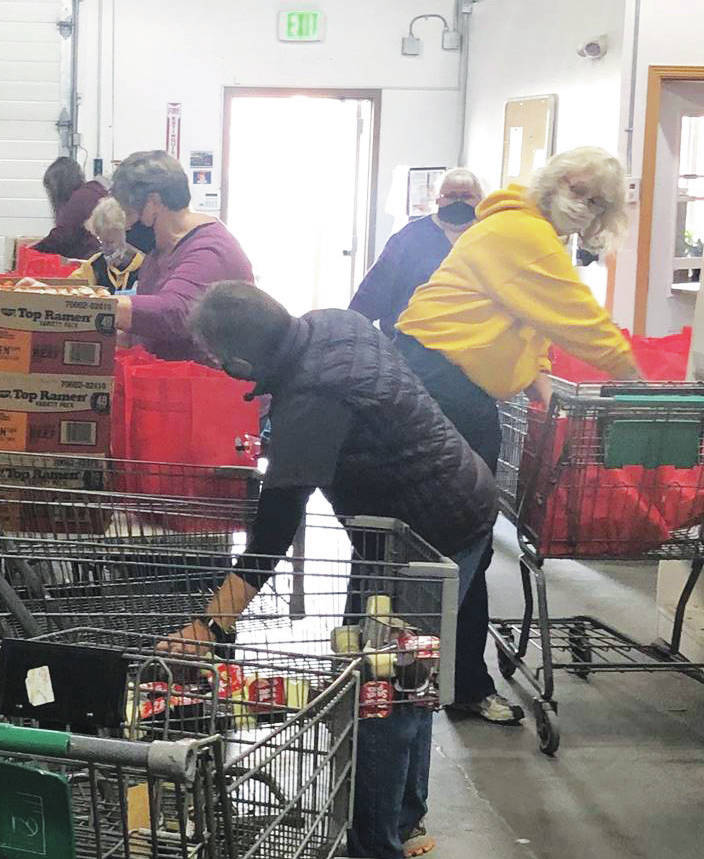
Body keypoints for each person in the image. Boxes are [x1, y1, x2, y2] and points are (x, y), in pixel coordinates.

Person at [173, 280, 499, 859]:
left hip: (429, 539)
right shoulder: (331, 322)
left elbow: (273, 531)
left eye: (219, 360)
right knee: (399, 677)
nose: (218, 367)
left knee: (380, 694)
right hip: (435, 512)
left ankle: (376, 846)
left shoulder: (312, 400)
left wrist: (209, 626)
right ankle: (402, 821)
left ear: (245, 361)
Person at [395, 146, 642, 724]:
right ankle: (422, 680)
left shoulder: (514, 229)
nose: (583, 205)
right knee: (461, 541)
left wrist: (534, 378)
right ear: (553, 182)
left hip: (437, 379)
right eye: (577, 190)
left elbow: (509, 316)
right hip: (443, 387)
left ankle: (449, 679)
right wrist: (638, 381)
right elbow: (577, 316)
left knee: (459, 544)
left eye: (596, 201)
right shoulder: (521, 233)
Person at [108, 150, 254, 361]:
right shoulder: (161, 250)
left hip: (204, 387)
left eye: (130, 214)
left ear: (154, 203)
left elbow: (174, 313)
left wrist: (93, 306)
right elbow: (145, 329)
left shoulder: (210, 250)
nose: (128, 226)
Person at [350, 169, 485, 336]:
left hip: (471, 344)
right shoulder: (409, 237)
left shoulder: (489, 238)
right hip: (411, 344)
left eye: (466, 196)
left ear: (480, 200)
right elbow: (374, 291)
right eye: (450, 196)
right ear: (438, 199)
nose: (458, 202)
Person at [31, 156, 108, 259]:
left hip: (93, 258)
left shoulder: (79, 199)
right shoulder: (93, 192)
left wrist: (33, 250)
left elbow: (63, 235)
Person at [75, 197, 145, 293]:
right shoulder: (94, 266)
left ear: (126, 231)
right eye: (101, 241)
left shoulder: (145, 266)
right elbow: (71, 286)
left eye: (111, 242)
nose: (106, 248)